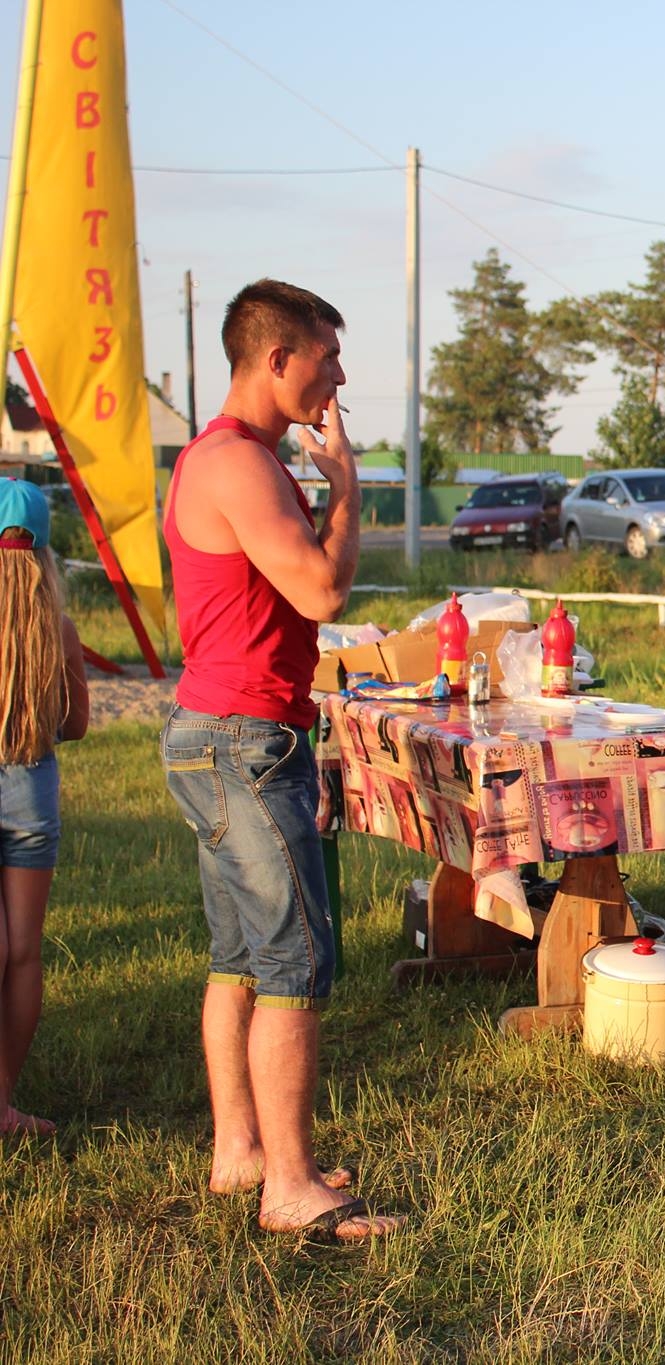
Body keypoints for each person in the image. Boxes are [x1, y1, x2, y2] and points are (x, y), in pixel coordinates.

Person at [160, 280, 400, 1241]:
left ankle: (242, 1152)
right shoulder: (239, 462)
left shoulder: (223, 457)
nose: (338, 379)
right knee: (295, 959)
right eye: (326, 359)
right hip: (244, 741)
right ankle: (291, 1186)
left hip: (216, 732)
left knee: (240, 960)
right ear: (276, 359)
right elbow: (322, 591)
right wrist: (346, 486)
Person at [0, 479, 89, 1137]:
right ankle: (2, 1103)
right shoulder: (58, 630)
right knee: (24, 953)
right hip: (31, 793)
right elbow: (76, 725)